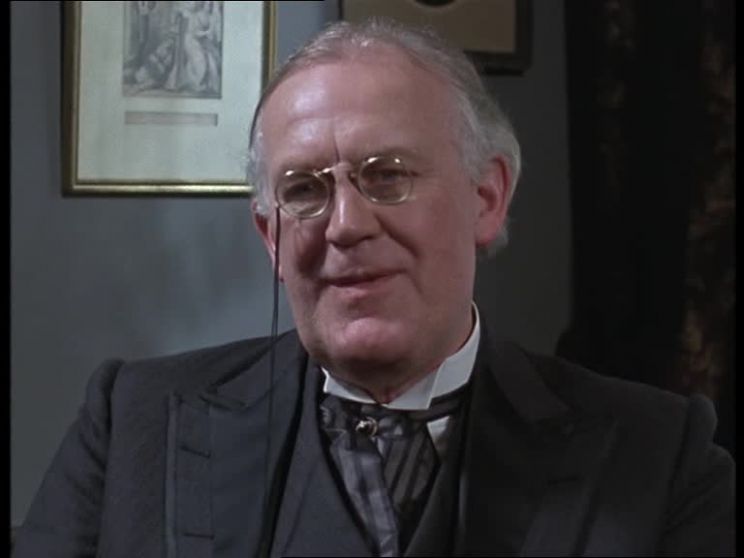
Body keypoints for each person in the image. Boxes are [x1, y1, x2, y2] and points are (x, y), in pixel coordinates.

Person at [13, 18, 734, 557]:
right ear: (271, 236)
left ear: (486, 198)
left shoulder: (659, 455)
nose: (346, 225)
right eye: (304, 189)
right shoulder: (133, 423)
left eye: (387, 175)